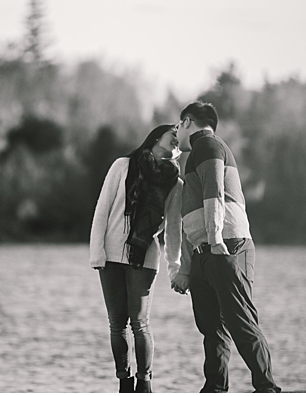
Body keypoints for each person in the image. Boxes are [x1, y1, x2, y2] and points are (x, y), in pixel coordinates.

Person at [170, 102, 281, 393]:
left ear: (189, 121)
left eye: (179, 126)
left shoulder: (207, 145)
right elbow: (187, 216)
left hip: (227, 246)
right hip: (206, 252)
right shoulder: (194, 154)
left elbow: (215, 193)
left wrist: (216, 238)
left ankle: (267, 388)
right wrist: (187, 266)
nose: (176, 132)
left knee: (240, 322)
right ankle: (215, 389)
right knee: (212, 331)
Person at [89, 124, 184, 393]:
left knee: (139, 322)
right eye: (172, 136)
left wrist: (174, 267)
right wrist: (97, 252)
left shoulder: (175, 183)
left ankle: (145, 383)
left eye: (179, 140)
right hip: (110, 254)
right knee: (117, 323)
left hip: (144, 256)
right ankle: (124, 382)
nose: (177, 141)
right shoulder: (122, 166)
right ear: (156, 138)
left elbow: (174, 229)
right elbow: (102, 210)